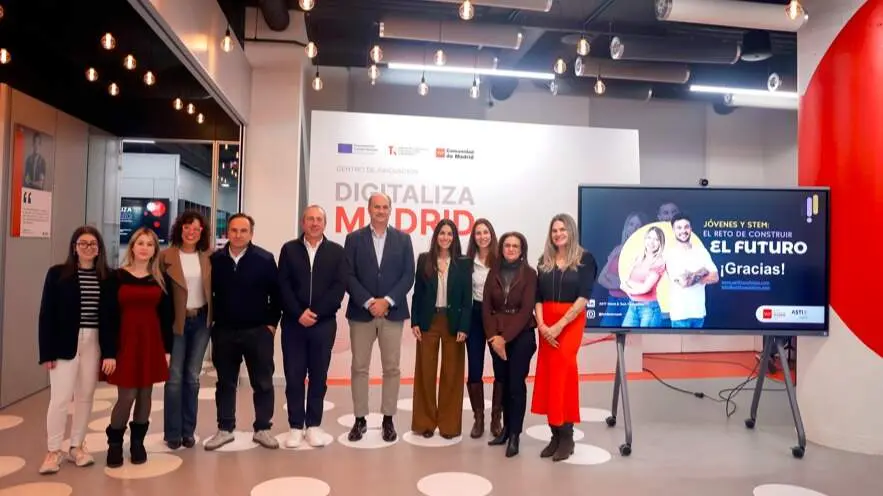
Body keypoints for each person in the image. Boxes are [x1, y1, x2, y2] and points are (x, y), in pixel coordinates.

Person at [37, 226, 116, 474]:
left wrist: (110, 352)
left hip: (94, 343)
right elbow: (46, 314)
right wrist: (47, 352)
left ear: (99, 248)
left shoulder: (107, 277)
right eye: (83, 243)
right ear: (74, 247)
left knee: (85, 396)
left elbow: (112, 318)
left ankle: (76, 446)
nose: (88, 248)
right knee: (60, 399)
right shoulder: (57, 274)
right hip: (63, 343)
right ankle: (53, 450)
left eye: (93, 244)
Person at [203, 214, 281, 450]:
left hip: (258, 332)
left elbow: (276, 295)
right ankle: (225, 428)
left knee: (264, 382)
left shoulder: (265, 259)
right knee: (225, 383)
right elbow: (209, 294)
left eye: (243, 231)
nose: (238, 235)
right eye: (234, 230)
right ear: (227, 232)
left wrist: (270, 325)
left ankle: (263, 428)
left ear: (251, 234)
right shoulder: (214, 260)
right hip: (225, 332)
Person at [343, 192, 415, 442]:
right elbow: (348, 275)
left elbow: (408, 275)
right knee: (359, 367)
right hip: (361, 313)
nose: (381, 211)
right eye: (377, 207)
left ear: (390, 210)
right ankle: (360, 419)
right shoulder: (353, 239)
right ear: (369, 209)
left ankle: (388, 419)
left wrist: (387, 301)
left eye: (385, 207)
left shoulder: (404, 240)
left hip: (392, 313)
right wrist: (369, 301)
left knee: (392, 369)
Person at [278, 205, 347, 448]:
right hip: (294, 324)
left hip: (323, 324)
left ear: (325, 224)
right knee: (294, 376)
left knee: (319, 376)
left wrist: (316, 313)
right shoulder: (289, 249)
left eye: (319, 219)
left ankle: (314, 425)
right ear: (302, 223)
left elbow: (339, 287)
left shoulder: (337, 252)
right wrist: (298, 313)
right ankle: (296, 426)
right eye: (310, 219)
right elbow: (283, 285)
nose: (314, 223)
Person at [105, 228, 174, 468]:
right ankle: (114, 443)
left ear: (155, 250)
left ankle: (137, 443)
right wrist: (108, 353)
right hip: (125, 342)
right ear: (132, 246)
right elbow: (108, 318)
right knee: (127, 395)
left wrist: (167, 351)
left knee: (145, 395)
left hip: (151, 342)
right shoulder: (116, 277)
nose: (144, 248)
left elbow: (167, 318)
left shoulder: (160, 279)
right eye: (140, 243)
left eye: (150, 244)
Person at [532, 213, 597, 462]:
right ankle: (554, 434)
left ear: (571, 231)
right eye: (554, 230)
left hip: (569, 322)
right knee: (549, 375)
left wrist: (559, 325)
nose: (558, 234)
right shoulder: (544, 260)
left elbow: (584, 296)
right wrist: (542, 324)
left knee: (563, 374)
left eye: (562, 229)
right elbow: (537, 297)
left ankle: (566, 435)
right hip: (546, 323)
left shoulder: (585, 259)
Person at [410, 219, 471, 439]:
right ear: (436, 236)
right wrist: (415, 321)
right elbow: (417, 294)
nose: (445, 237)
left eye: (450, 234)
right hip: (428, 322)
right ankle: (424, 423)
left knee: (452, 374)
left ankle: (449, 425)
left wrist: (465, 325)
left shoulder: (463, 264)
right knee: (425, 372)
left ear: (454, 238)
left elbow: (467, 300)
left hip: (453, 324)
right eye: (442, 233)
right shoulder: (424, 260)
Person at [160, 211, 213, 450]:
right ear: (180, 228)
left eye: (197, 228)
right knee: (174, 379)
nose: (191, 232)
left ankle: (188, 431)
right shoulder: (166, 256)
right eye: (187, 227)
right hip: (178, 323)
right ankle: (172, 433)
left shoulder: (209, 256)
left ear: (202, 232)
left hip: (201, 321)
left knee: (192, 378)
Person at [483, 232, 538, 458]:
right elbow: (486, 307)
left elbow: (526, 311)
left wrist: (504, 339)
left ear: (522, 249)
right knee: (502, 383)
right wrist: (493, 337)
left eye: (516, 245)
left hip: (521, 337)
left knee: (516, 386)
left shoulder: (530, 274)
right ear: (502, 248)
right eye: (507, 245)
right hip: (495, 338)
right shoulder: (493, 272)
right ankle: (505, 430)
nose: (511, 249)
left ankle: (515, 434)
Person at [464, 219, 498, 438]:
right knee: (475, 368)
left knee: (500, 368)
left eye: (486, 232)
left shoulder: (501, 260)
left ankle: (497, 418)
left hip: (496, 317)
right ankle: (479, 418)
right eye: (478, 233)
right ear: (473, 237)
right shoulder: (467, 262)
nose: (482, 236)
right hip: (474, 316)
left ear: (491, 235)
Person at [664, 214, 719, 328]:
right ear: (673, 230)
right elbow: (684, 283)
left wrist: (692, 275)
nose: (683, 231)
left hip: (698, 314)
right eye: (679, 228)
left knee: (699, 347)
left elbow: (715, 277)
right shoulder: (670, 254)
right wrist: (702, 271)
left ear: (691, 229)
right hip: (680, 316)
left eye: (686, 227)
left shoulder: (701, 251)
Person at [621, 226, 666, 328]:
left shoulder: (659, 262)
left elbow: (645, 288)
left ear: (660, 243)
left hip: (649, 309)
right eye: (649, 238)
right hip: (633, 306)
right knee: (627, 340)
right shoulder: (639, 258)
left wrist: (628, 288)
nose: (651, 242)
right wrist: (629, 286)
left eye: (656, 239)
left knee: (647, 343)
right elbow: (626, 280)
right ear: (645, 239)